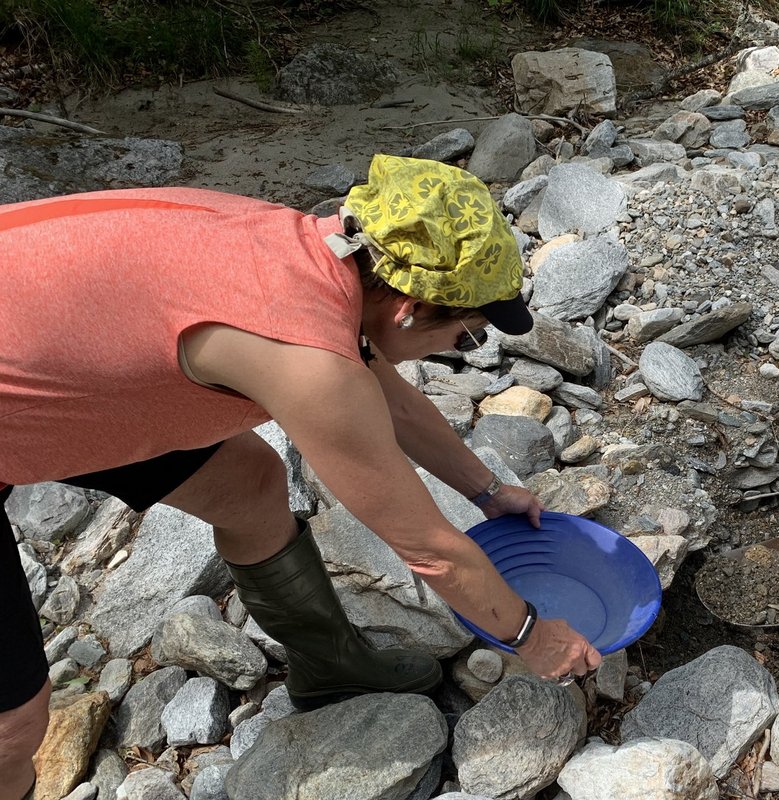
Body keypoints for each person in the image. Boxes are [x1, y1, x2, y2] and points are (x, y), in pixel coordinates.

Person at [0, 155, 601, 800]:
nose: (462, 351)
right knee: (15, 719)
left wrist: (486, 491)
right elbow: (430, 551)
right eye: (466, 337)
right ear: (409, 307)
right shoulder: (302, 356)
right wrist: (531, 635)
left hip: (67, 366)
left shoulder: (315, 252)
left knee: (251, 484)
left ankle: (329, 667)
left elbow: (384, 392)